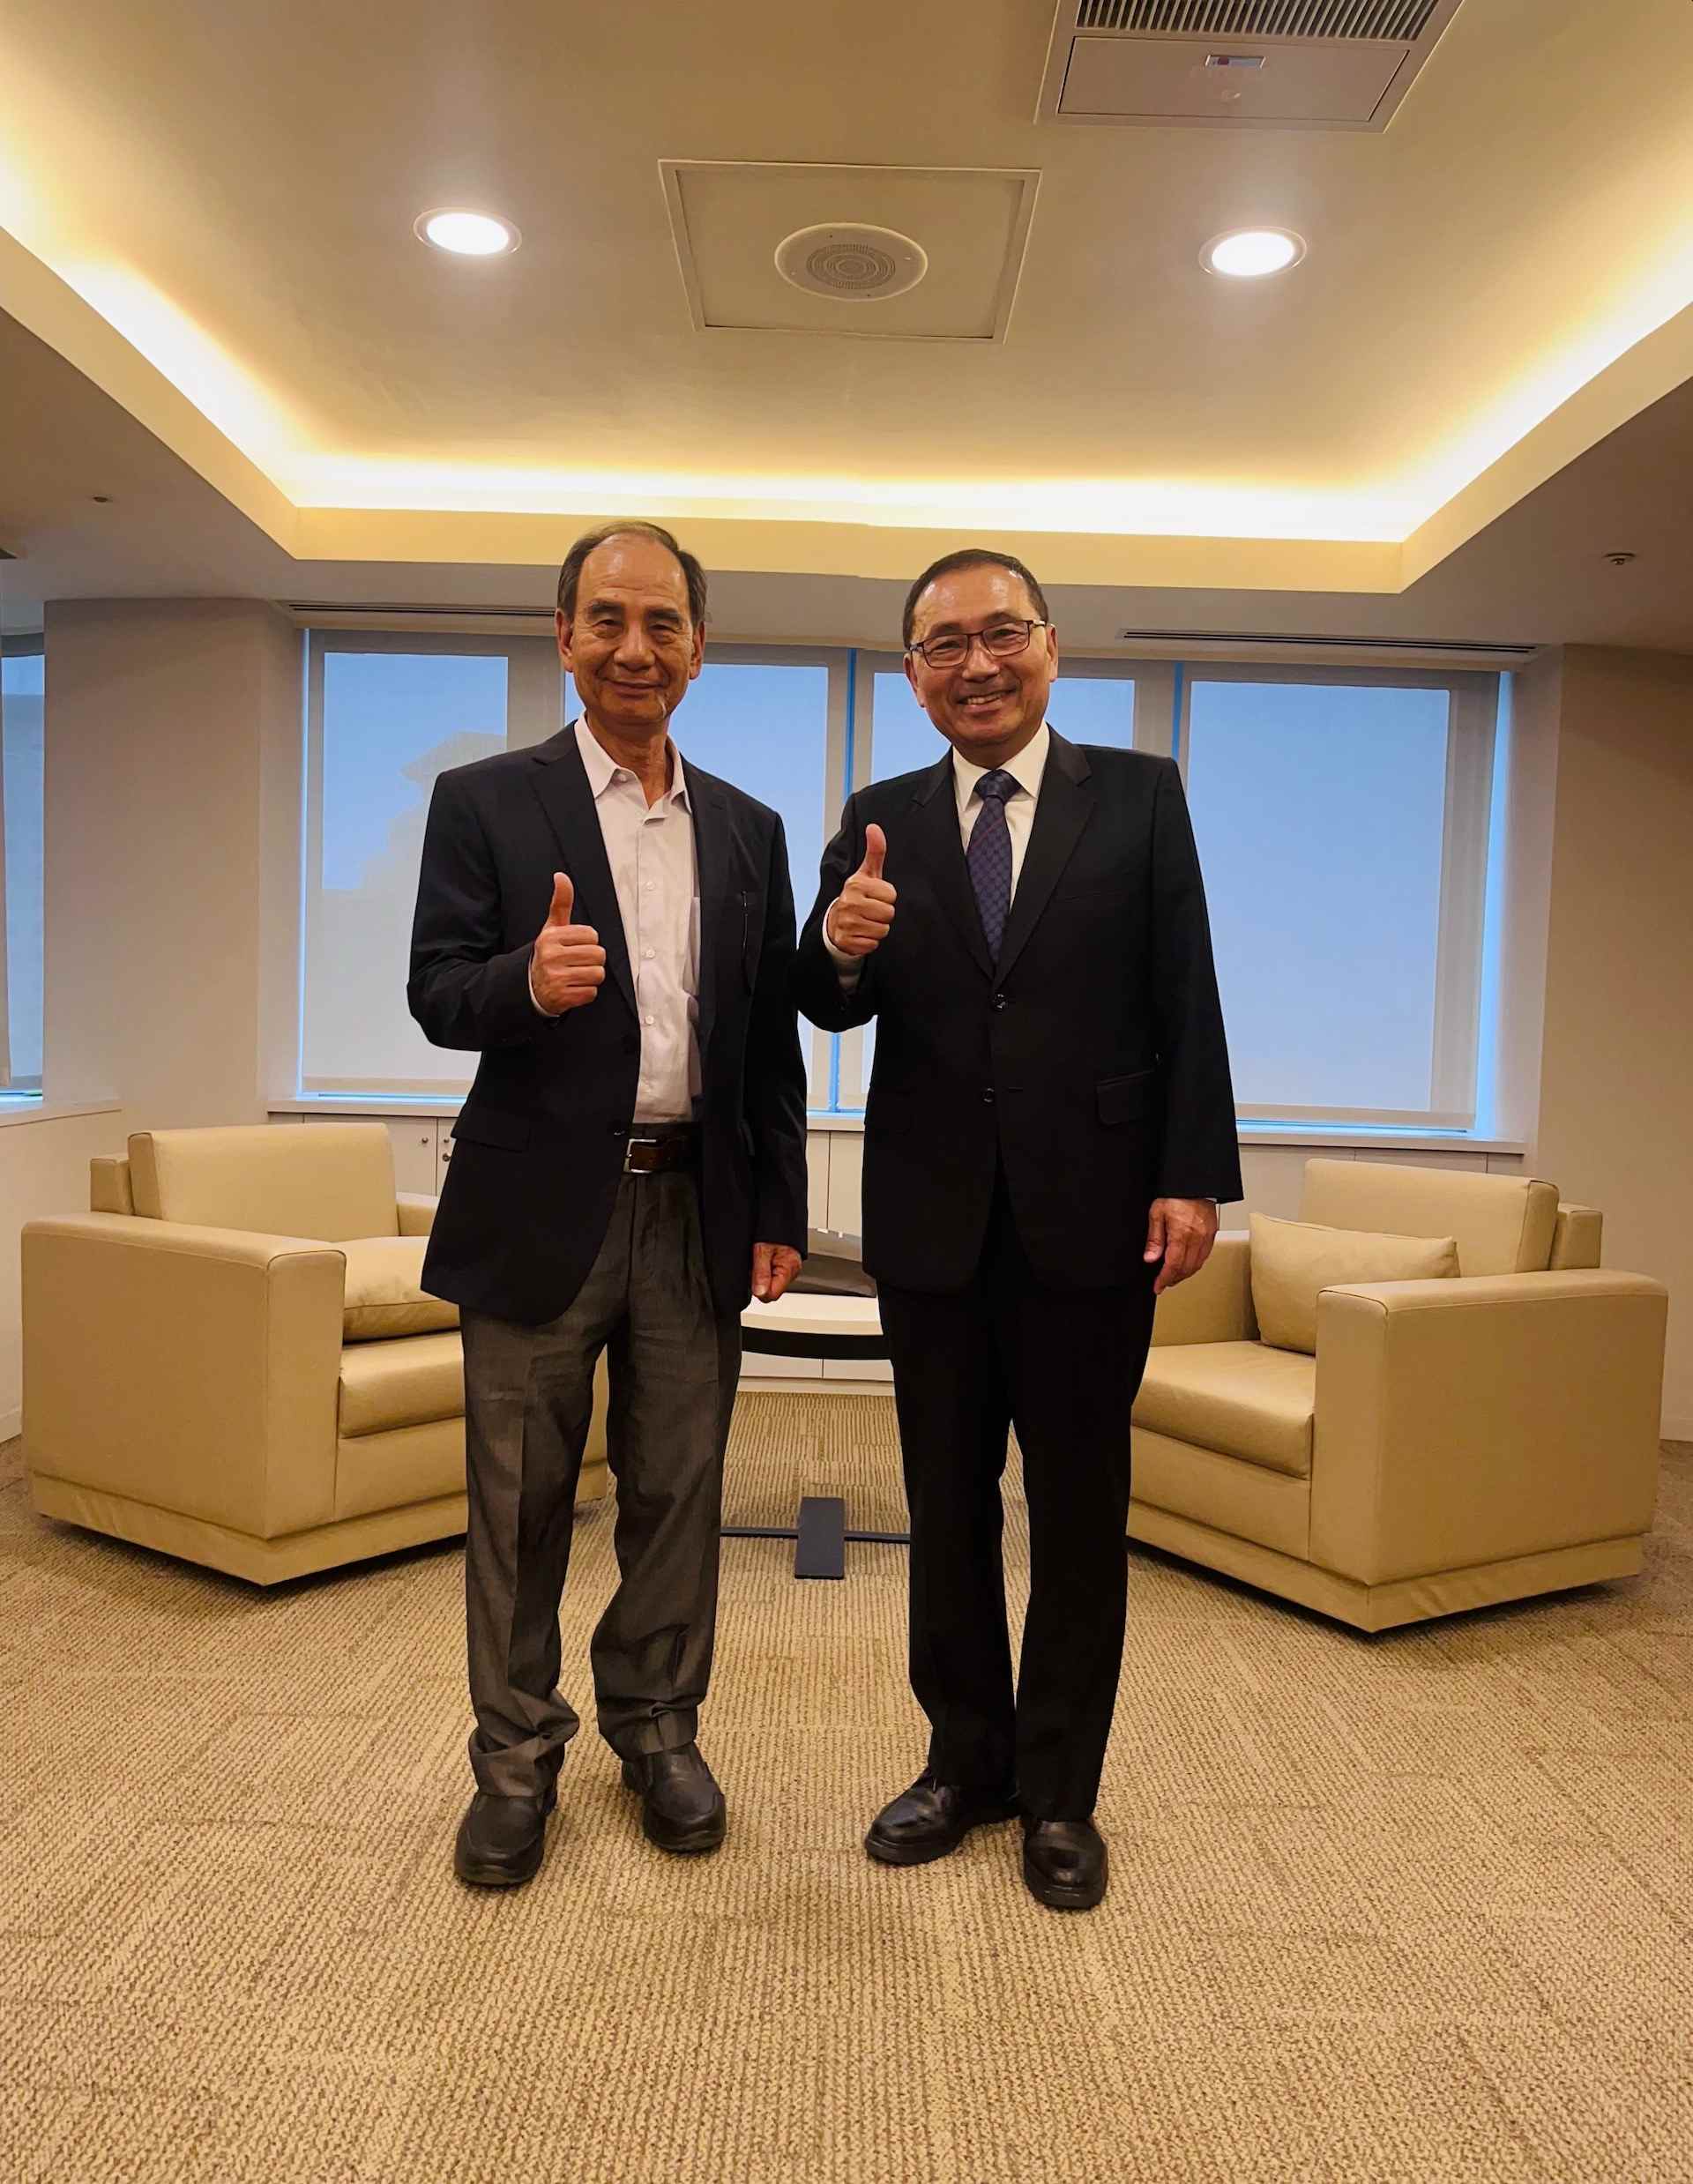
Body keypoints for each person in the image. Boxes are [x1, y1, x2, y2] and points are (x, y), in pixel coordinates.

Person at [793, 548, 1241, 1912]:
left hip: (1093, 1220)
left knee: (1079, 1512)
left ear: (1051, 646)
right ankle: (963, 1763)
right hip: (931, 1222)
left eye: (1002, 634)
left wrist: (1192, 1175)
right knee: (946, 1508)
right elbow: (826, 998)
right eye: (946, 645)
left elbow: (1186, 991)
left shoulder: (1141, 796)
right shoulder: (877, 817)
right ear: (912, 673)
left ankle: (1059, 1791)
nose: (977, 664)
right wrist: (841, 941)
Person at [410, 521, 809, 1889]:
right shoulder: (484, 801)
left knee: (680, 1491)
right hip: (535, 1210)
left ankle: (657, 1728)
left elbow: (765, 1042)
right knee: (518, 1503)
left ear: (700, 648)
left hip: (696, 1205)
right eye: (608, 620)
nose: (635, 647)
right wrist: (523, 982)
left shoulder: (749, 828)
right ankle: (515, 1760)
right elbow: (435, 988)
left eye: (663, 623)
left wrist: (778, 1202)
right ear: (564, 635)